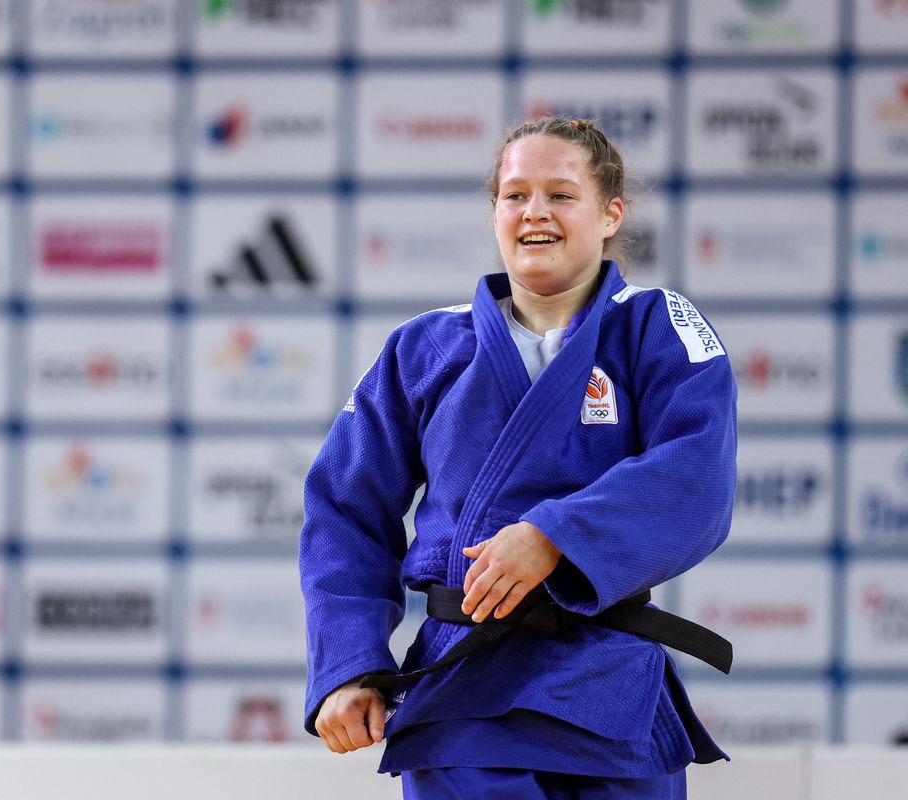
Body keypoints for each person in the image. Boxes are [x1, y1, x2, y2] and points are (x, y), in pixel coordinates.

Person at [298, 116, 737, 800]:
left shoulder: (658, 326)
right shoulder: (425, 347)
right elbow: (344, 510)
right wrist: (348, 665)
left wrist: (555, 537)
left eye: (561, 194)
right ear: (495, 213)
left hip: (610, 690)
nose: (535, 211)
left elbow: (697, 476)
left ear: (610, 213)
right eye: (515, 195)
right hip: (465, 691)